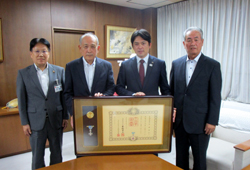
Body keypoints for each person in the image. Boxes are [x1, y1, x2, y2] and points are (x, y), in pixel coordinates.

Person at [170, 27, 222, 170]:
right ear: (184, 43)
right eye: (189, 40)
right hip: (180, 123)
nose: (192, 43)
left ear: (202, 42)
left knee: (199, 160)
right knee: (180, 158)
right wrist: (171, 120)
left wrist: (212, 121)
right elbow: (172, 93)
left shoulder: (212, 65)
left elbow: (215, 96)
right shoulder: (176, 64)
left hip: (201, 124)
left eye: (196, 39)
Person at [16, 38, 69, 170]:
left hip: (55, 120)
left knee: (57, 153)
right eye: (37, 51)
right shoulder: (23, 74)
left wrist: (65, 116)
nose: (41, 54)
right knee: (37, 156)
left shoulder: (59, 71)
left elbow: (64, 95)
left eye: (44, 51)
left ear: (49, 53)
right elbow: (21, 100)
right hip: (35, 122)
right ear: (31, 53)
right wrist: (24, 122)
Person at [64, 32, 115, 127]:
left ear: (98, 48)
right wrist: (73, 113)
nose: (89, 50)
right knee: (82, 140)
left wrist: (103, 95)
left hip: (101, 110)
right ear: (80, 48)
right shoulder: (71, 67)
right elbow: (67, 93)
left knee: (101, 139)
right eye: (85, 46)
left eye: (92, 46)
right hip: (79, 113)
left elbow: (111, 88)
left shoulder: (106, 66)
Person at [116, 29, 171, 96]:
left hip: (153, 104)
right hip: (132, 104)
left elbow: (165, 89)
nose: (140, 47)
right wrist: (133, 94)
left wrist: (168, 104)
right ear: (132, 46)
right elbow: (119, 88)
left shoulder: (159, 64)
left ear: (149, 45)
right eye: (136, 44)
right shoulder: (125, 65)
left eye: (143, 43)